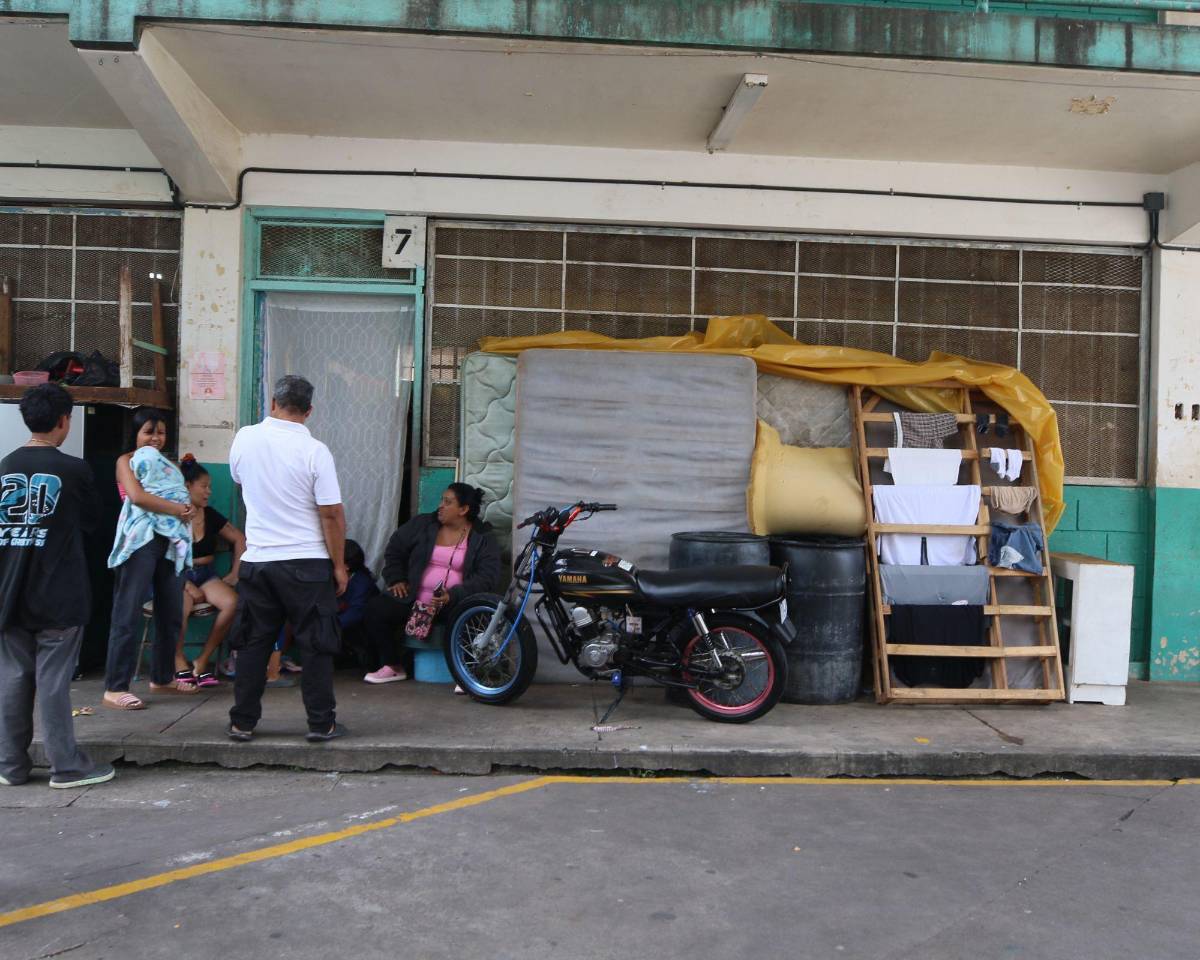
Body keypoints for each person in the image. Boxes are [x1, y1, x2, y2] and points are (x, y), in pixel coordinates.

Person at [0, 384, 114, 788]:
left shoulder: (4, 465)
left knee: (13, 677)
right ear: (64, 421)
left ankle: (11, 765)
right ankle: (66, 766)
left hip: (9, 591)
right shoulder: (74, 470)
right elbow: (91, 522)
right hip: (59, 593)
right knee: (52, 680)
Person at [227, 375, 348, 743]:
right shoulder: (315, 451)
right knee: (316, 646)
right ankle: (320, 723)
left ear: (272, 402)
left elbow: (239, 479)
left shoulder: (245, 439)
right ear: (310, 411)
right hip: (307, 564)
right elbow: (331, 514)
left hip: (259, 560)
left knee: (253, 643)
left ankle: (242, 723)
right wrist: (339, 565)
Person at [362, 483, 499, 685]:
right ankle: (393, 666)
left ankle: (468, 674)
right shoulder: (423, 524)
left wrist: (453, 595)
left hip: (455, 602)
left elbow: (487, 577)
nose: (440, 506)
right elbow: (395, 548)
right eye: (441, 500)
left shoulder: (482, 538)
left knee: (473, 617)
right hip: (414, 599)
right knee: (375, 609)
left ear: (464, 509)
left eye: (448, 502)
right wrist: (396, 578)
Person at [103, 408, 195, 710]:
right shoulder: (125, 461)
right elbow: (138, 496)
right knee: (127, 612)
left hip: (170, 540)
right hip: (140, 540)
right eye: (149, 432)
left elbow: (181, 496)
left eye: (161, 432)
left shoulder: (168, 464)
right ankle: (115, 687)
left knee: (170, 612)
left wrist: (188, 510)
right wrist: (177, 509)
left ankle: (163, 677)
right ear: (136, 434)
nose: (155, 438)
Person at [175, 455, 245, 688]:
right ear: (188, 487)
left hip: (206, 574)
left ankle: (202, 660)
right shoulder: (174, 514)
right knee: (181, 607)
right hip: (178, 575)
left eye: (210, 487)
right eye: (204, 487)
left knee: (232, 603)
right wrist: (186, 585)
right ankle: (178, 660)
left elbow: (239, 539)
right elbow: (164, 556)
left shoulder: (211, 515)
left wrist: (235, 573)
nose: (208, 492)